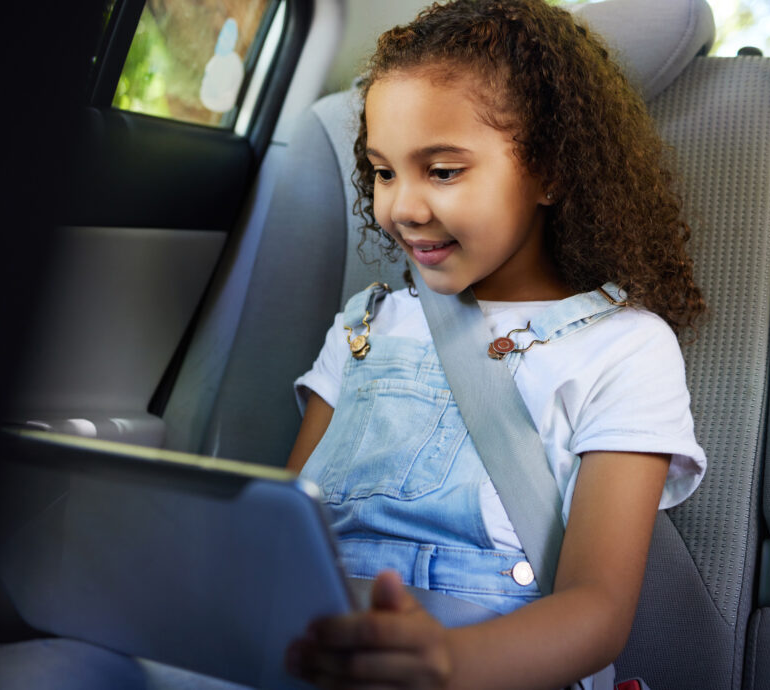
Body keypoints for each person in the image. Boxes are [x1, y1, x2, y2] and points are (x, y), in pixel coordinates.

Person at [284, 0, 707, 687]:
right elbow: (288, 530)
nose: (402, 208)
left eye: (442, 171)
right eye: (384, 172)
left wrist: (449, 664)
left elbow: (597, 611)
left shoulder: (625, 349)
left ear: (549, 172)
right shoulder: (366, 324)